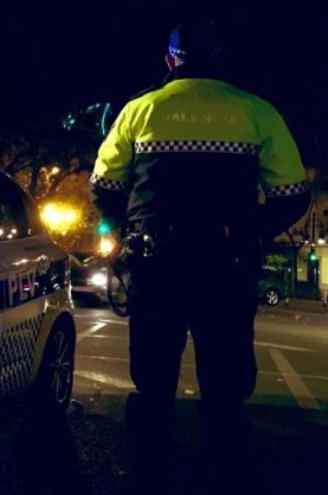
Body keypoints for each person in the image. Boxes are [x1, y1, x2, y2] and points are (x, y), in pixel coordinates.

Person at [89, 20, 310, 492]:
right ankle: (224, 474)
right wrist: (247, 232)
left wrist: (127, 233)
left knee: (153, 381)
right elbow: (293, 195)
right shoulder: (256, 112)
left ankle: (150, 476)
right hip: (226, 265)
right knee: (226, 386)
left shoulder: (140, 110)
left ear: (170, 60)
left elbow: (104, 186)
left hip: (157, 263)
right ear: (220, 58)